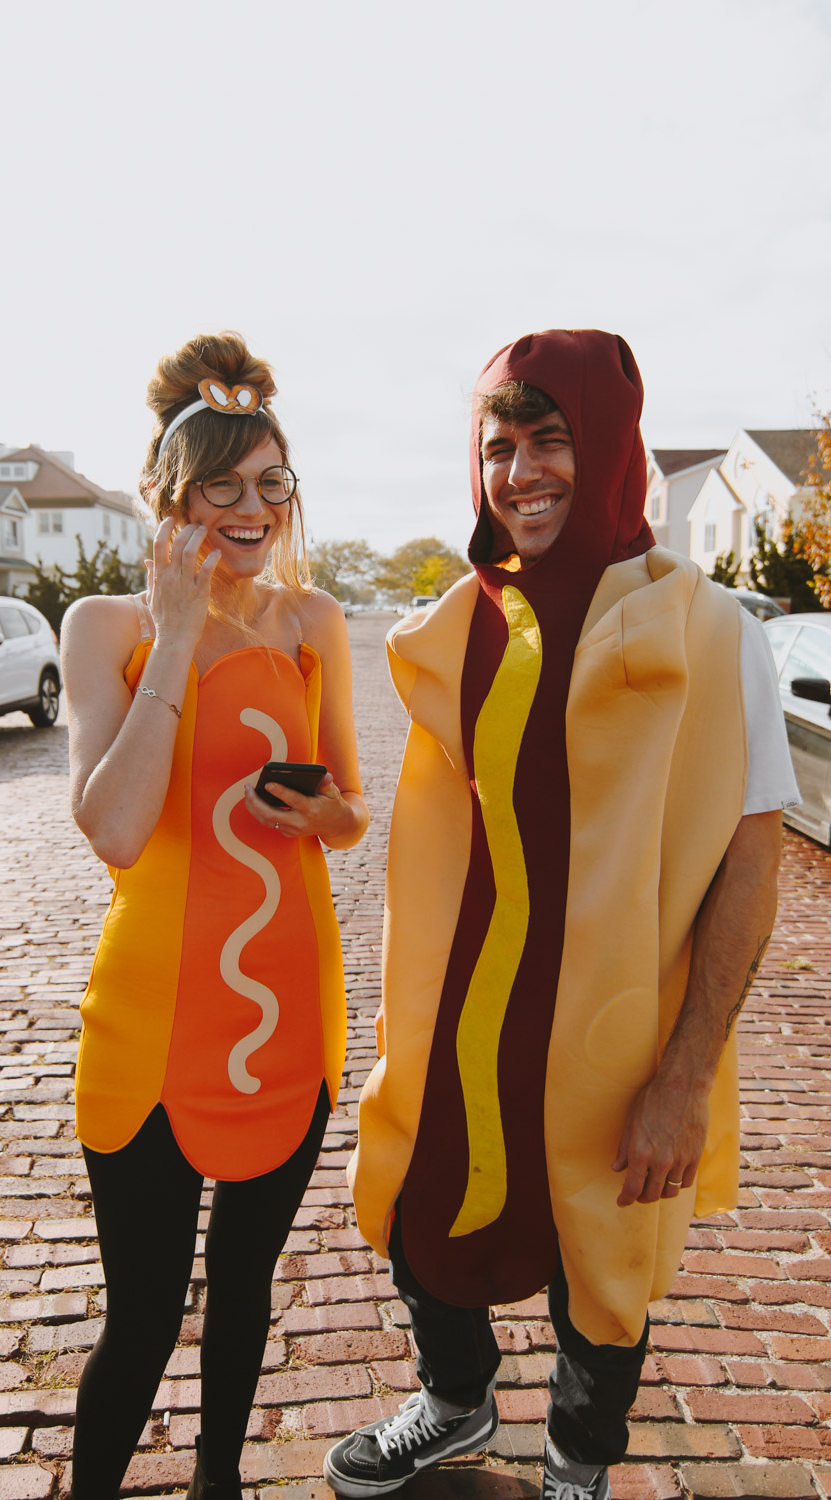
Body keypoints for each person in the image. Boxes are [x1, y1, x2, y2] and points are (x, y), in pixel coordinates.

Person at [324, 329, 798, 1500]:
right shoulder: (460, 625)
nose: (521, 471)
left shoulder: (711, 632)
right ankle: (452, 1402)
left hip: (618, 1020)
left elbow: (751, 857)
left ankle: (578, 1466)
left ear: (611, 447)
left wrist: (686, 1074)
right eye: (499, 446)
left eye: (551, 440)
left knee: (609, 1247)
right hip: (467, 1011)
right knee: (421, 1195)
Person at [62, 331, 369, 1500]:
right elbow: (118, 829)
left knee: (246, 1294)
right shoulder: (108, 628)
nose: (250, 508)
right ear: (164, 497)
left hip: (291, 1015)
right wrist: (180, 632)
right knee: (140, 1318)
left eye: (270, 484)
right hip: (148, 1026)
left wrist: (318, 815)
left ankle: (218, 1484)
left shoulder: (316, 623)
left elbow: (348, 812)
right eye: (219, 486)